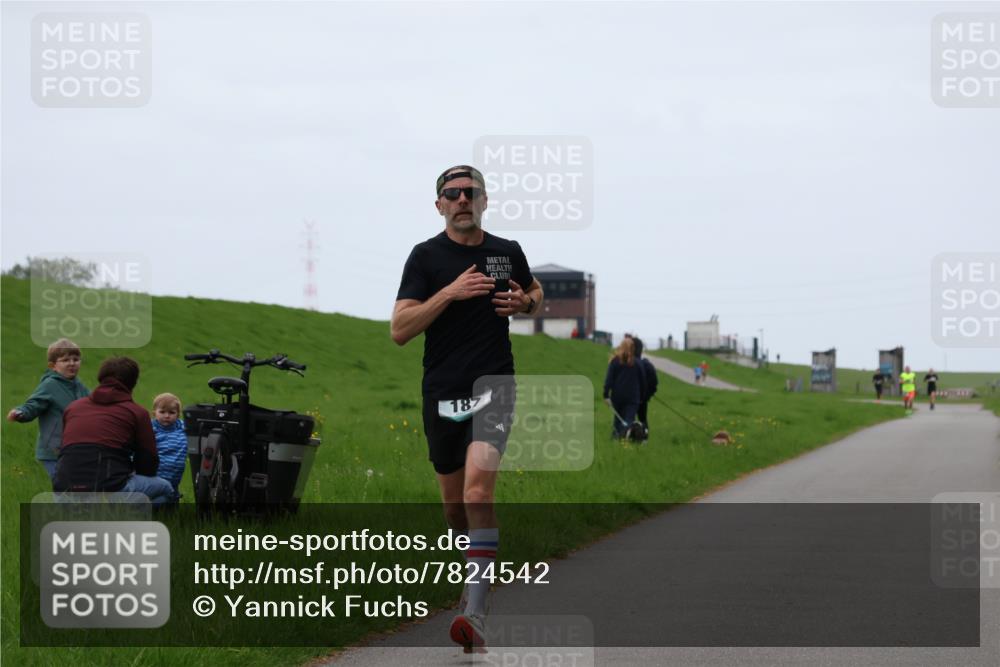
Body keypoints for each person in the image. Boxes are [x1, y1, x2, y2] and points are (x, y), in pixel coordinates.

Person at [391, 164, 544, 652]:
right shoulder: (425, 257)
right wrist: (451, 293)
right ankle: (473, 578)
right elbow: (400, 329)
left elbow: (534, 293)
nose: (461, 199)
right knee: (454, 507)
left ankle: (474, 612)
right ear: (439, 205)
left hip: (494, 386)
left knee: (478, 495)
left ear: (484, 201)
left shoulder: (506, 252)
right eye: (452, 194)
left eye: (470, 192)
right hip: (442, 391)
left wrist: (526, 303)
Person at [53, 356, 174, 504]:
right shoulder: (137, 412)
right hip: (109, 490)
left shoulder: (73, 408)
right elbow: (148, 463)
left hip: (63, 492)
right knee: (167, 489)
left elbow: (64, 449)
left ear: (101, 378)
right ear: (132, 382)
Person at [6, 338, 90, 482]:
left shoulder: (79, 385)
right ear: (53, 366)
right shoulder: (50, 385)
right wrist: (21, 412)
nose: (72, 363)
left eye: (76, 359)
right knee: (64, 488)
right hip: (53, 450)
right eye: (65, 360)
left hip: (74, 448)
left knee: (79, 488)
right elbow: (33, 404)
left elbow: (94, 403)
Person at [604, 337, 646, 438]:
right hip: (633, 398)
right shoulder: (638, 363)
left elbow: (609, 380)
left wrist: (606, 395)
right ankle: (626, 439)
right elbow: (643, 382)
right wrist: (642, 398)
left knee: (618, 420)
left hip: (617, 397)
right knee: (628, 420)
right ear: (633, 348)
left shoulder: (614, 361)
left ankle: (616, 438)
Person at [152, 392, 187, 502]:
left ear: (178, 414)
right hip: (156, 476)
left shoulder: (183, 428)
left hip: (176, 476)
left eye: (171, 412)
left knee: (172, 505)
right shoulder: (150, 429)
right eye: (162, 412)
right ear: (154, 413)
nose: (167, 416)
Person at [633, 337, 658, 438]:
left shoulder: (633, 364)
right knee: (643, 418)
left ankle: (632, 437)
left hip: (635, 398)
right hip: (643, 398)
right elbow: (654, 383)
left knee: (630, 418)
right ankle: (644, 437)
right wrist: (648, 395)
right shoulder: (647, 365)